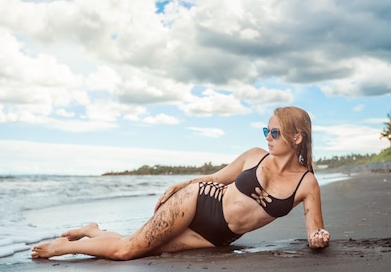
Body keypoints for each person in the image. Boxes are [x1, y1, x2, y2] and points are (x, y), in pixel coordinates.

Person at [31, 106, 330, 260]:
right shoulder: (253, 156)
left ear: (297, 137)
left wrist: (319, 239)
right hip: (197, 202)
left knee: (144, 248)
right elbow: (213, 179)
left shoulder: (307, 184)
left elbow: (315, 231)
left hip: (216, 237)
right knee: (127, 251)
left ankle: (93, 232)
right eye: (267, 130)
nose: (267, 137)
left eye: (274, 133)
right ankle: (64, 248)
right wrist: (180, 187)